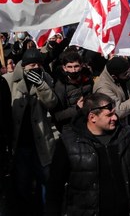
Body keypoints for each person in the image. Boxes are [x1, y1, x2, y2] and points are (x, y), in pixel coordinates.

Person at [45, 93, 130, 216]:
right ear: (92, 117)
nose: (115, 118)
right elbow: (55, 185)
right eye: (109, 115)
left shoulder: (125, 135)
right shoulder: (70, 142)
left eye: (114, 113)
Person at [8, 48, 58, 215]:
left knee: (45, 180)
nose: (33, 67)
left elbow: (51, 103)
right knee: (23, 182)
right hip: (20, 142)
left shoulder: (46, 79)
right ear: (23, 66)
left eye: (37, 64)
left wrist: (41, 84)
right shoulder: (9, 81)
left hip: (41, 141)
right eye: (30, 65)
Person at [93, 56, 130, 128]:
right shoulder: (103, 88)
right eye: (125, 74)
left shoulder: (122, 75)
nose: (128, 75)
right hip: (117, 127)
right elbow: (117, 110)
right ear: (114, 76)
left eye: (128, 71)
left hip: (129, 121)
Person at [52, 50, 94, 132]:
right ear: (64, 68)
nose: (73, 70)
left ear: (81, 66)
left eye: (76, 66)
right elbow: (57, 116)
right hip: (70, 126)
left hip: (89, 121)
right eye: (70, 67)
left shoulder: (88, 80)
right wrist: (77, 108)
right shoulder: (60, 87)